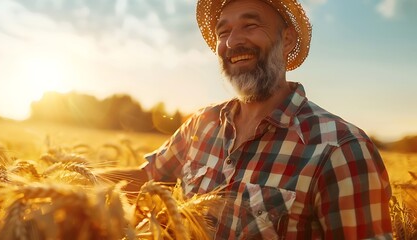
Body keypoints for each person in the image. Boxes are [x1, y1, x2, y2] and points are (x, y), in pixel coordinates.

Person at [106, 0, 393, 238]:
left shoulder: (340, 149)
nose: (233, 41)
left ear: (287, 38)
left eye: (251, 25)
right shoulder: (202, 124)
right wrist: (68, 183)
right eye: (223, 32)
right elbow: (145, 179)